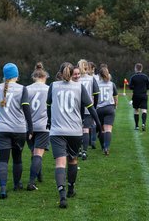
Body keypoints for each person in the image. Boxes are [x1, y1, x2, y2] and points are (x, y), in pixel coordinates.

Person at [47, 62, 102, 208]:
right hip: (74, 131)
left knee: (60, 163)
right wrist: (99, 125)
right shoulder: (79, 87)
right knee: (72, 160)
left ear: (59, 73)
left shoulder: (53, 86)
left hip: (57, 131)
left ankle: (62, 194)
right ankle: (71, 188)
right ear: (72, 74)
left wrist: (48, 121)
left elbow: (48, 106)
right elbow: (91, 108)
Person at [0, 63, 33, 199]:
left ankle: (3, 188)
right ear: (17, 75)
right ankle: (16, 184)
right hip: (18, 129)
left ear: (4, 75)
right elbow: (26, 111)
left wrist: (1, 119)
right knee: (17, 158)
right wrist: (30, 128)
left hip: (1, 129)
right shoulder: (22, 89)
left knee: (3, 160)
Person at [25, 62, 49, 191]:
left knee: (34, 152)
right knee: (38, 153)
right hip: (43, 126)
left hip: (28, 127)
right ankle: (31, 181)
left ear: (34, 77)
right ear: (45, 77)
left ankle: (39, 175)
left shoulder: (27, 89)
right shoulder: (49, 89)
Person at [78, 59, 100, 160]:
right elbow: (96, 94)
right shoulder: (91, 79)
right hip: (88, 108)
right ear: (87, 67)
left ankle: (78, 149)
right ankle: (84, 151)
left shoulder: (75, 78)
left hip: (77, 108)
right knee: (86, 130)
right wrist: (93, 107)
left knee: (77, 130)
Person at [96, 66, 118, 155]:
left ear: (99, 75)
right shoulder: (112, 84)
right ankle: (106, 147)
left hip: (99, 108)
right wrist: (115, 105)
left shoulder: (96, 84)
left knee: (102, 130)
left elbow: (93, 97)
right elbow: (115, 97)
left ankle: (102, 146)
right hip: (109, 108)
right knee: (108, 129)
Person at [129, 63, 149, 131]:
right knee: (144, 110)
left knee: (136, 110)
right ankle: (143, 124)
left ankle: (136, 126)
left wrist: (135, 87)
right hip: (144, 95)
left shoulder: (133, 77)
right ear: (141, 69)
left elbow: (130, 87)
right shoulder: (145, 77)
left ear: (136, 68)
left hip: (136, 95)